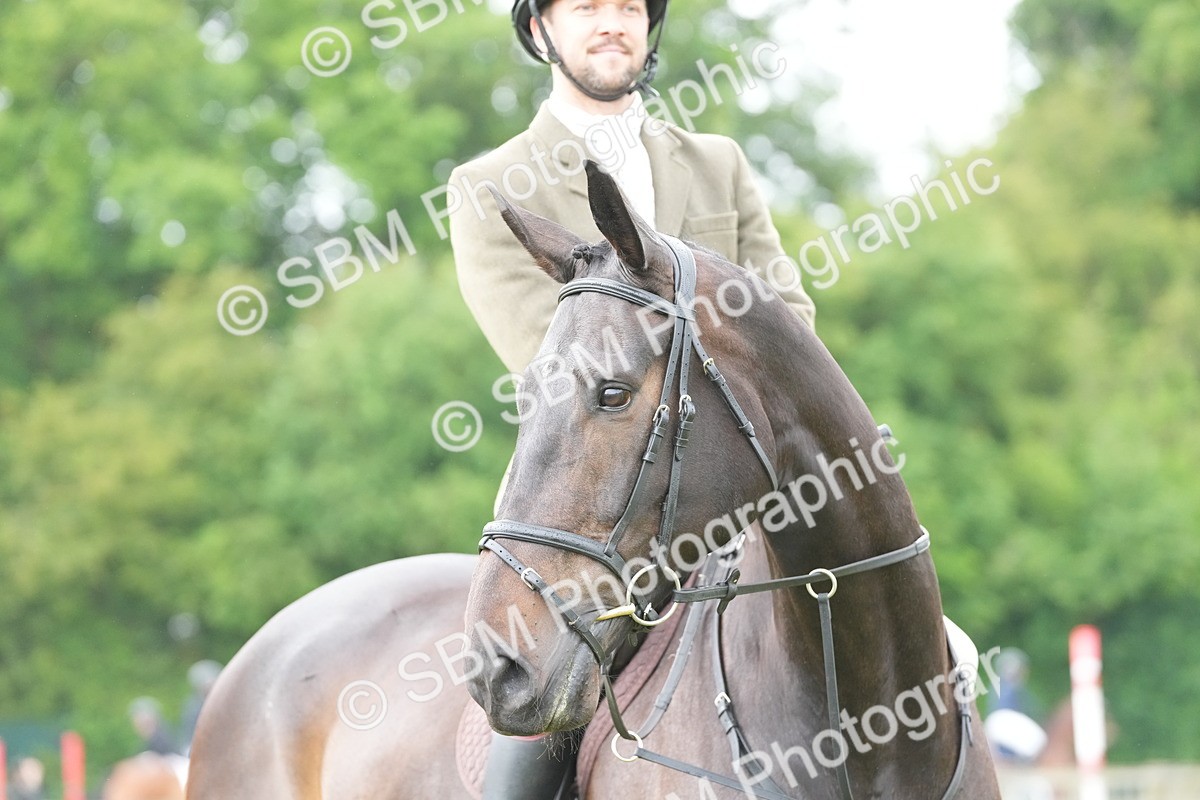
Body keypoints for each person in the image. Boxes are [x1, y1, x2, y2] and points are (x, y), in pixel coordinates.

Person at [449, 2, 818, 797]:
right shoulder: (487, 188)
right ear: (539, 30)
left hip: (746, 496)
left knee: (911, 627)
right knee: (535, 729)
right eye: (585, 5)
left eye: (628, 6)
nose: (611, 21)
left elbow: (790, 324)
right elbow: (554, 364)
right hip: (598, 512)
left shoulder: (718, 162)